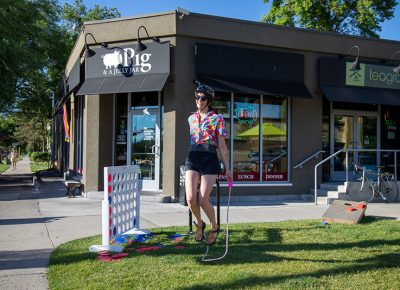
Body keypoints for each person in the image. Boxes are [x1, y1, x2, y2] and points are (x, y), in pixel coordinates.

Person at [185, 83, 232, 246]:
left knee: (202, 200)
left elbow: (222, 145)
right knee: (190, 198)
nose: (199, 100)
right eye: (197, 97)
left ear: (209, 100)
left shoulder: (217, 119)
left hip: (210, 157)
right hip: (193, 156)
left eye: (203, 97)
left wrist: (228, 167)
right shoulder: (191, 118)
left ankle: (214, 226)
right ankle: (199, 223)